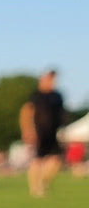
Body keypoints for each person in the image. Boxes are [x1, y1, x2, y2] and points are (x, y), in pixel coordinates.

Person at [20, 69, 65, 197]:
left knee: (56, 160)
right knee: (37, 160)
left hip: (53, 132)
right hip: (38, 132)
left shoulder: (57, 96)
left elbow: (61, 113)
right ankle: (35, 188)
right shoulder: (36, 96)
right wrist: (28, 130)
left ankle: (42, 182)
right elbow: (26, 113)